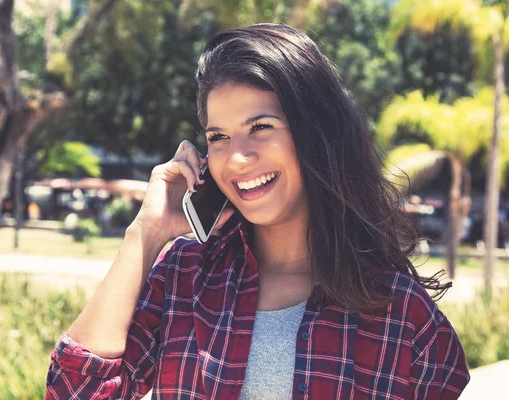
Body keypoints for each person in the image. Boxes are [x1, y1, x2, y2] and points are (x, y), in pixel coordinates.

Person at [45, 24, 470, 399]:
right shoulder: (184, 276)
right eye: (219, 137)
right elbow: (73, 393)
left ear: (315, 135)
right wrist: (147, 232)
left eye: (260, 128)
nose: (237, 158)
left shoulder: (400, 311)